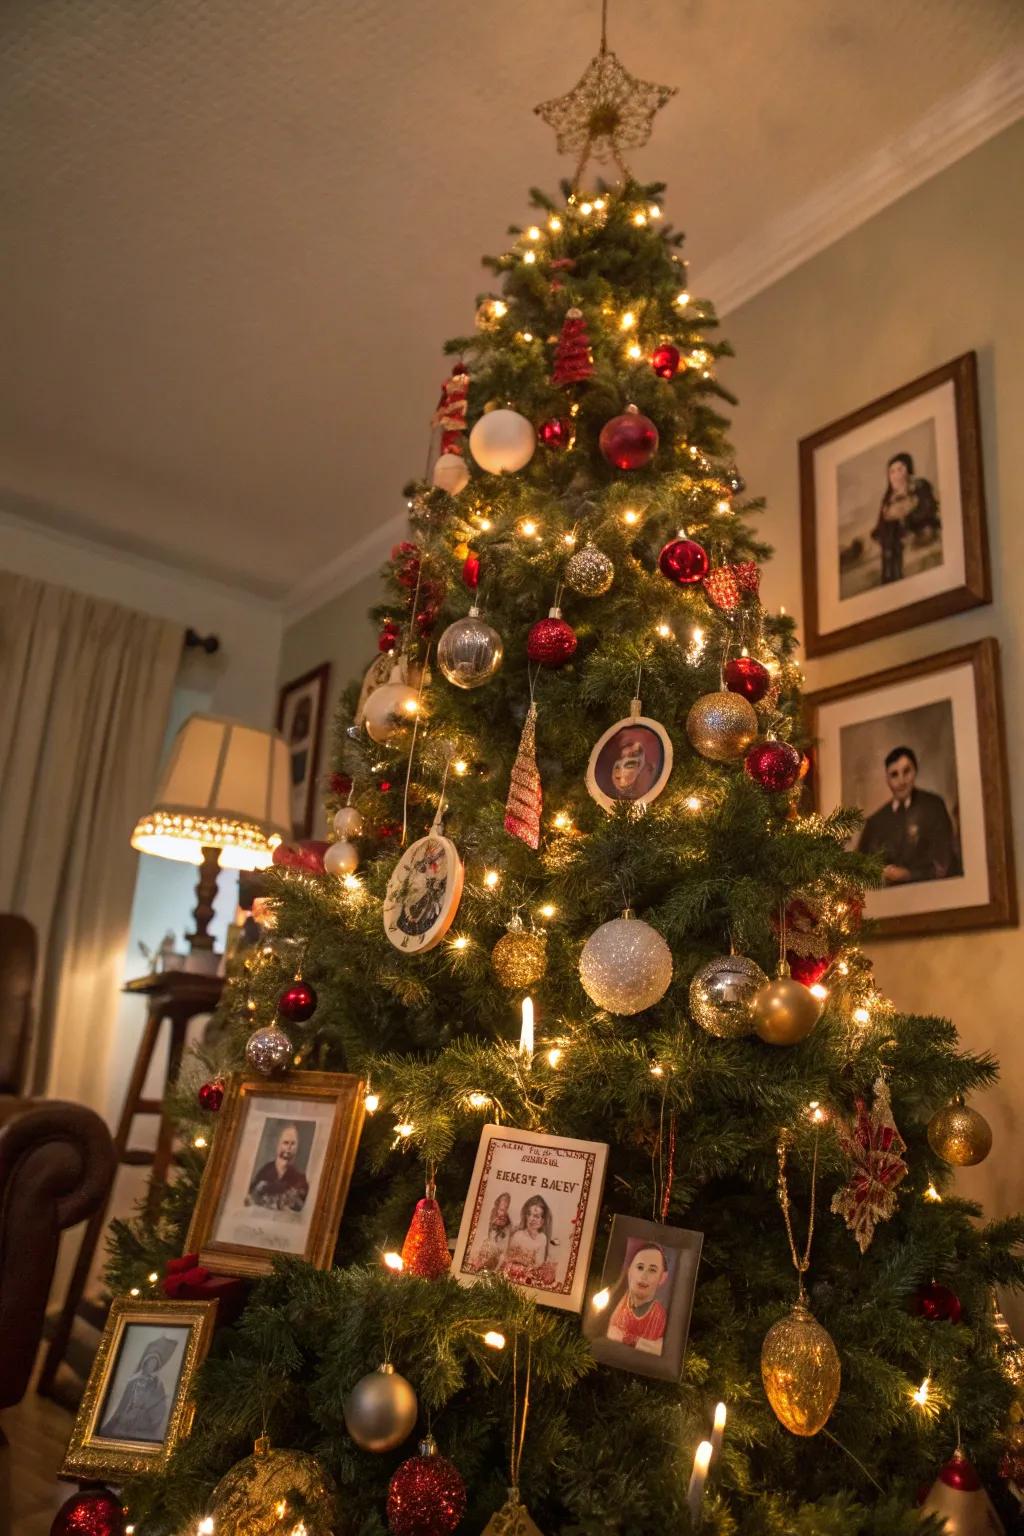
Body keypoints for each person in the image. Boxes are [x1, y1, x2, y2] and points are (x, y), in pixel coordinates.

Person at [857, 745, 958, 884]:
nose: (901, 781)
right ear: (887, 779)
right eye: (894, 775)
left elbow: (944, 862)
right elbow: (859, 869)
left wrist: (909, 875)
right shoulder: (875, 822)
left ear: (915, 771)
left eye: (906, 771)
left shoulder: (934, 806)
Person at [870, 452, 939, 584]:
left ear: (909, 470)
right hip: (896, 544)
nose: (896, 476)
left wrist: (907, 514)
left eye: (900, 469)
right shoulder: (888, 500)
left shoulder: (920, 487)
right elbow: (882, 525)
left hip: (921, 533)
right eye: (892, 472)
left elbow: (927, 509)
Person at [99, 1335, 179, 1441]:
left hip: (144, 1420)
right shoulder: (133, 1381)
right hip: (127, 1417)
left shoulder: (157, 1384)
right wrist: (124, 1415)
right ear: (144, 1364)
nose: (151, 1366)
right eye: (149, 1363)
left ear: (156, 1366)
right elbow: (123, 1402)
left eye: (154, 1364)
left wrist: (146, 1413)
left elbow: (160, 1405)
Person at [605, 1243, 671, 1354]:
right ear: (630, 1271)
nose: (643, 1276)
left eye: (652, 1270)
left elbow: (660, 1350)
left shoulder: (660, 1316)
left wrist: (626, 1338)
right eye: (640, 1267)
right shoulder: (615, 1302)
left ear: (662, 1277)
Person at [247, 1123, 310, 1211]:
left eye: (293, 1144)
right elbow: (250, 1199)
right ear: (278, 1145)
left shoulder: (300, 1179)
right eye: (286, 1143)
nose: (289, 1147)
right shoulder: (264, 1172)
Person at [602, 727, 662, 801]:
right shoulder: (654, 745)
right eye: (630, 764)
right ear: (649, 767)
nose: (625, 752)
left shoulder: (618, 740)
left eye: (617, 767)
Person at [500, 1195, 554, 1274]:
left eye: (536, 1216)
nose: (531, 1219)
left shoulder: (542, 1238)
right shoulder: (518, 1236)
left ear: (542, 1221)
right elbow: (508, 1259)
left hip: (530, 1275)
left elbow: (539, 1264)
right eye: (529, 1214)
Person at [472, 1191, 512, 1271]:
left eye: (506, 1209)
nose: (502, 1213)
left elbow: (503, 1247)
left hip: (496, 1252)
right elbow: (483, 1234)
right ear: (497, 1206)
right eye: (501, 1209)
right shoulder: (490, 1216)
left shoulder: (507, 1222)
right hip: (485, 1248)